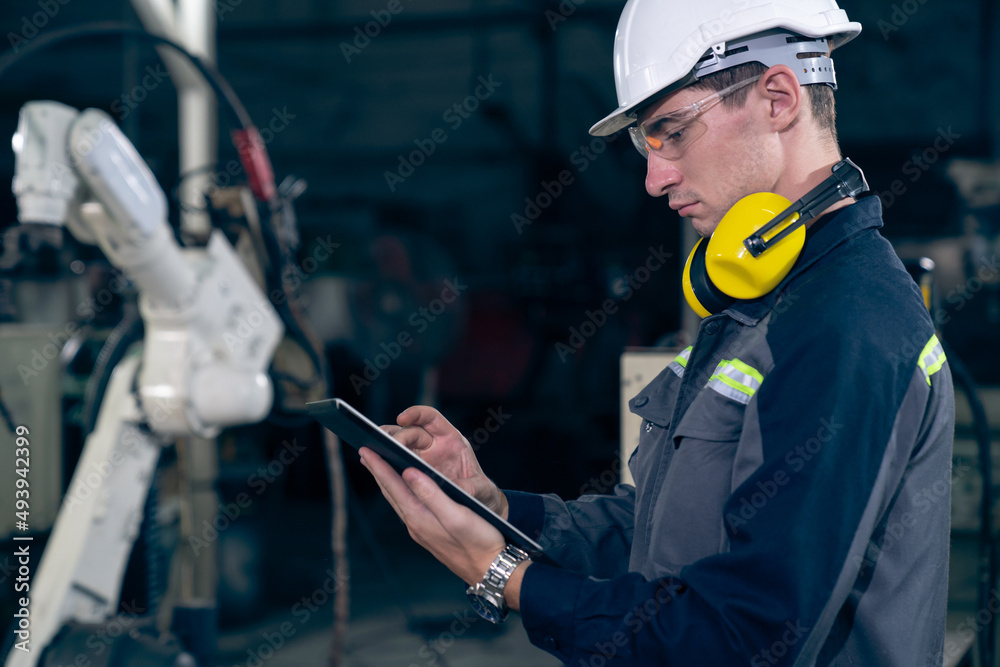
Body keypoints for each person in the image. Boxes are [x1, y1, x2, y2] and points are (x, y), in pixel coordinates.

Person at [359, 1, 956, 664]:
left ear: (778, 98)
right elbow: (655, 536)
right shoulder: (760, 302)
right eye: (646, 144)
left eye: (671, 132)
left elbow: (744, 638)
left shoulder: (845, 322)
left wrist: (507, 576)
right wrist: (498, 507)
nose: (654, 178)